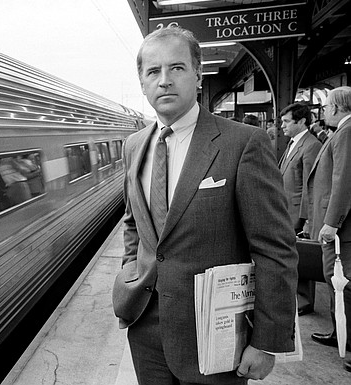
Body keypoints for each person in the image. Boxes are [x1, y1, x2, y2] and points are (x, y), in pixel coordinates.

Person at [112, 26, 298, 385]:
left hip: (216, 335)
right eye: (153, 71)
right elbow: (133, 223)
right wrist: (129, 277)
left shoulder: (243, 143)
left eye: (177, 68)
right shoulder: (134, 146)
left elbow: (274, 247)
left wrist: (267, 340)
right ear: (142, 82)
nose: (164, 81)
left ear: (197, 74)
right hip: (145, 331)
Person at [303, 86, 351, 372]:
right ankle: (340, 335)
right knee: (337, 283)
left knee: (344, 285)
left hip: (342, 230)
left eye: (326, 106)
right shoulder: (342, 132)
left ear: (335, 108)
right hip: (337, 226)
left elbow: (344, 180)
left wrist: (331, 222)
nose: (323, 111)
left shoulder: (346, 133)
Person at [278, 102, 322, 316]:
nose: (281, 126)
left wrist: (306, 218)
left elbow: (310, 185)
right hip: (287, 210)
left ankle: (304, 300)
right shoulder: (294, 143)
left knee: (301, 257)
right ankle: (296, 296)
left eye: (286, 121)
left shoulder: (311, 145)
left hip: (297, 213)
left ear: (302, 121)